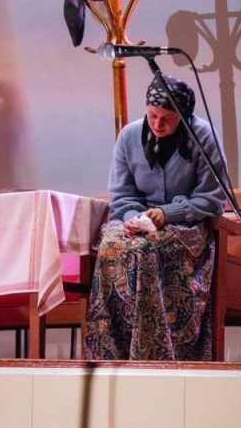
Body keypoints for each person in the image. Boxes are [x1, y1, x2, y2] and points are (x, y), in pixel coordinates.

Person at [84, 74, 228, 360]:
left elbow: (213, 198)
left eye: (167, 119)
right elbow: (121, 194)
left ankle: (151, 353)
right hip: (136, 220)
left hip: (186, 225)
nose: (158, 124)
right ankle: (108, 353)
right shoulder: (129, 136)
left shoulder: (203, 136)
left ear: (183, 117)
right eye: (152, 115)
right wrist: (135, 218)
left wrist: (167, 214)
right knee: (110, 246)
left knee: (146, 249)